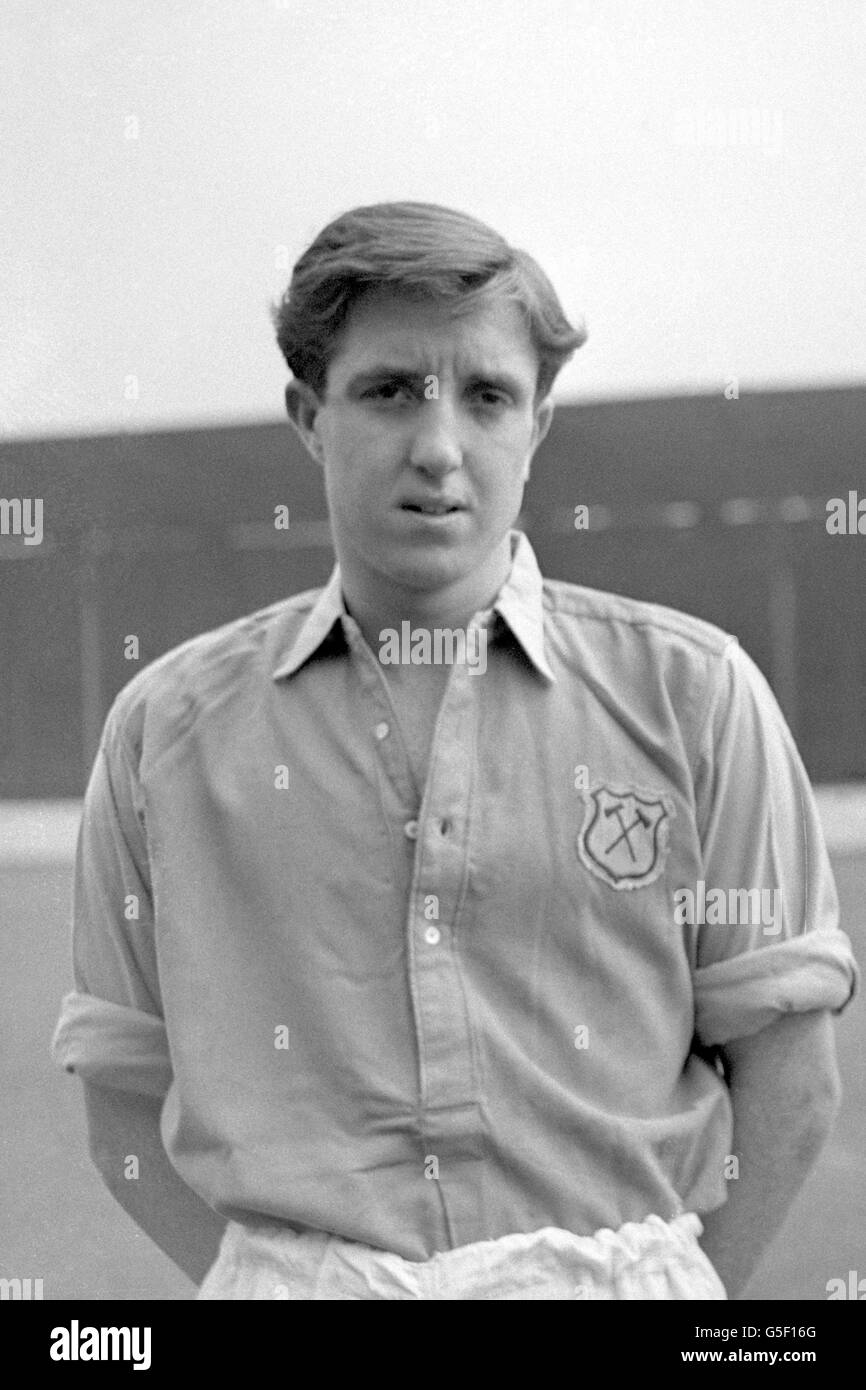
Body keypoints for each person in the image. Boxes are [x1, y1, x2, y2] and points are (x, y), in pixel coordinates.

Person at [52, 201, 858, 1300]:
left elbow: (790, 1079)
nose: (438, 448)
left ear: (535, 423)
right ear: (307, 415)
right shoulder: (163, 735)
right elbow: (124, 1104)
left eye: (486, 396)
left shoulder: (694, 697)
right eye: (387, 391)